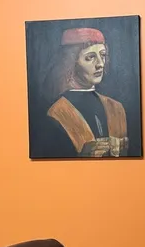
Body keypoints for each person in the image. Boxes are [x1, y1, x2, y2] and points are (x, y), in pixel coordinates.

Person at [37, 27, 128, 158]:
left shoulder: (116, 108)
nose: (100, 64)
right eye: (90, 57)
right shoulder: (57, 112)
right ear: (71, 63)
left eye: (102, 55)